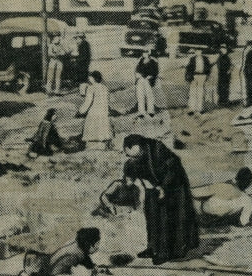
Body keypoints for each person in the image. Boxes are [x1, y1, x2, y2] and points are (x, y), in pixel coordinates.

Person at [121, 133, 199, 264]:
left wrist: (163, 187)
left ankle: (166, 252)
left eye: (136, 155)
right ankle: (153, 248)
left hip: (172, 187)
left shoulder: (157, 149)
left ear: (141, 148)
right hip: (153, 187)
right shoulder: (136, 156)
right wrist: (129, 178)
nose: (132, 159)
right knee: (152, 216)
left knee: (165, 219)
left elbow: (173, 169)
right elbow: (131, 167)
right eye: (129, 156)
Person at [77, 70, 112, 150]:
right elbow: (107, 101)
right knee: (103, 130)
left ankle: (92, 146)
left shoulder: (91, 88)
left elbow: (88, 102)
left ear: (93, 78)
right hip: (103, 111)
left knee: (92, 130)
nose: (89, 79)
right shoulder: (105, 88)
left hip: (94, 112)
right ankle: (103, 145)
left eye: (90, 77)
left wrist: (81, 111)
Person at [135, 47, 159, 118]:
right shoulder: (140, 60)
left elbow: (155, 71)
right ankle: (141, 112)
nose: (144, 53)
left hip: (148, 80)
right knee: (140, 96)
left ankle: (150, 111)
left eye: (146, 52)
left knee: (149, 96)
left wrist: (151, 77)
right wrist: (138, 75)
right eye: (143, 52)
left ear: (149, 53)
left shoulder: (153, 61)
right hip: (140, 80)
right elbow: (137, 70)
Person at [185, 49, 211, 115]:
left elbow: (208, 67)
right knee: (192, 92)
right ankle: (192, 109)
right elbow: (188, 68)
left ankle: (200, 109)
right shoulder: (192, 59)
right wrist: (189, 77)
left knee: (200, 92)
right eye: (196, 51)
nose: (198, 52)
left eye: (199, 50)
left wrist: (207, 75)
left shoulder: (205, 59)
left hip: (202, 76)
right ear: (195, 52)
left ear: (201, 51)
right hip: (194, 76)